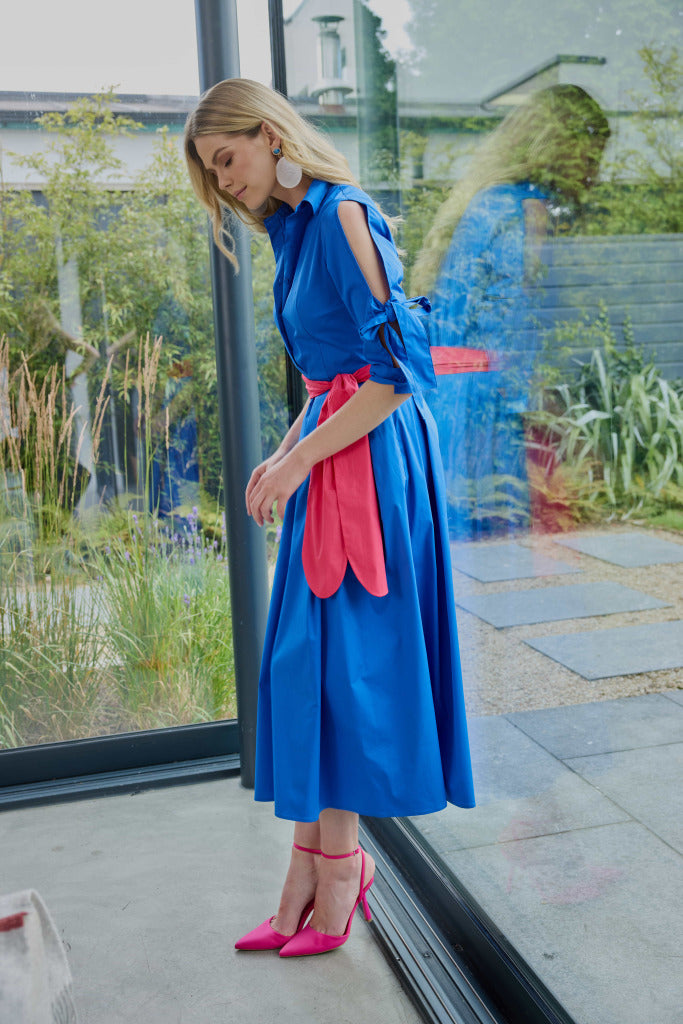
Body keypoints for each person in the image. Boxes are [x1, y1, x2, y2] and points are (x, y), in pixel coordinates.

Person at [184, 79, 474, 958]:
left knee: (342, 660)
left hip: (372, 465)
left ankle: (336, 872)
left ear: (269, 136)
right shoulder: (293, 228)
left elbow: (393, 374)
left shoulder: (345, 215)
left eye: (227, 159)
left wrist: (301, 456)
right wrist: (286, 450)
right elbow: (331, 376)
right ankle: (315, 867)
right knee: (313, 661)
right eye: (212, 171)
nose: (225, 182)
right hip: (332, 448)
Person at [412, 85, 610, 539]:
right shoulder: (524, 209)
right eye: (591, 155)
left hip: (451, 397)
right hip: (487, 406)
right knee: (498, 549)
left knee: (462, 550)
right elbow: (509, 325)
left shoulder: (486, 201)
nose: (596, 173)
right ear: (560, 148)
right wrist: (536, 406)